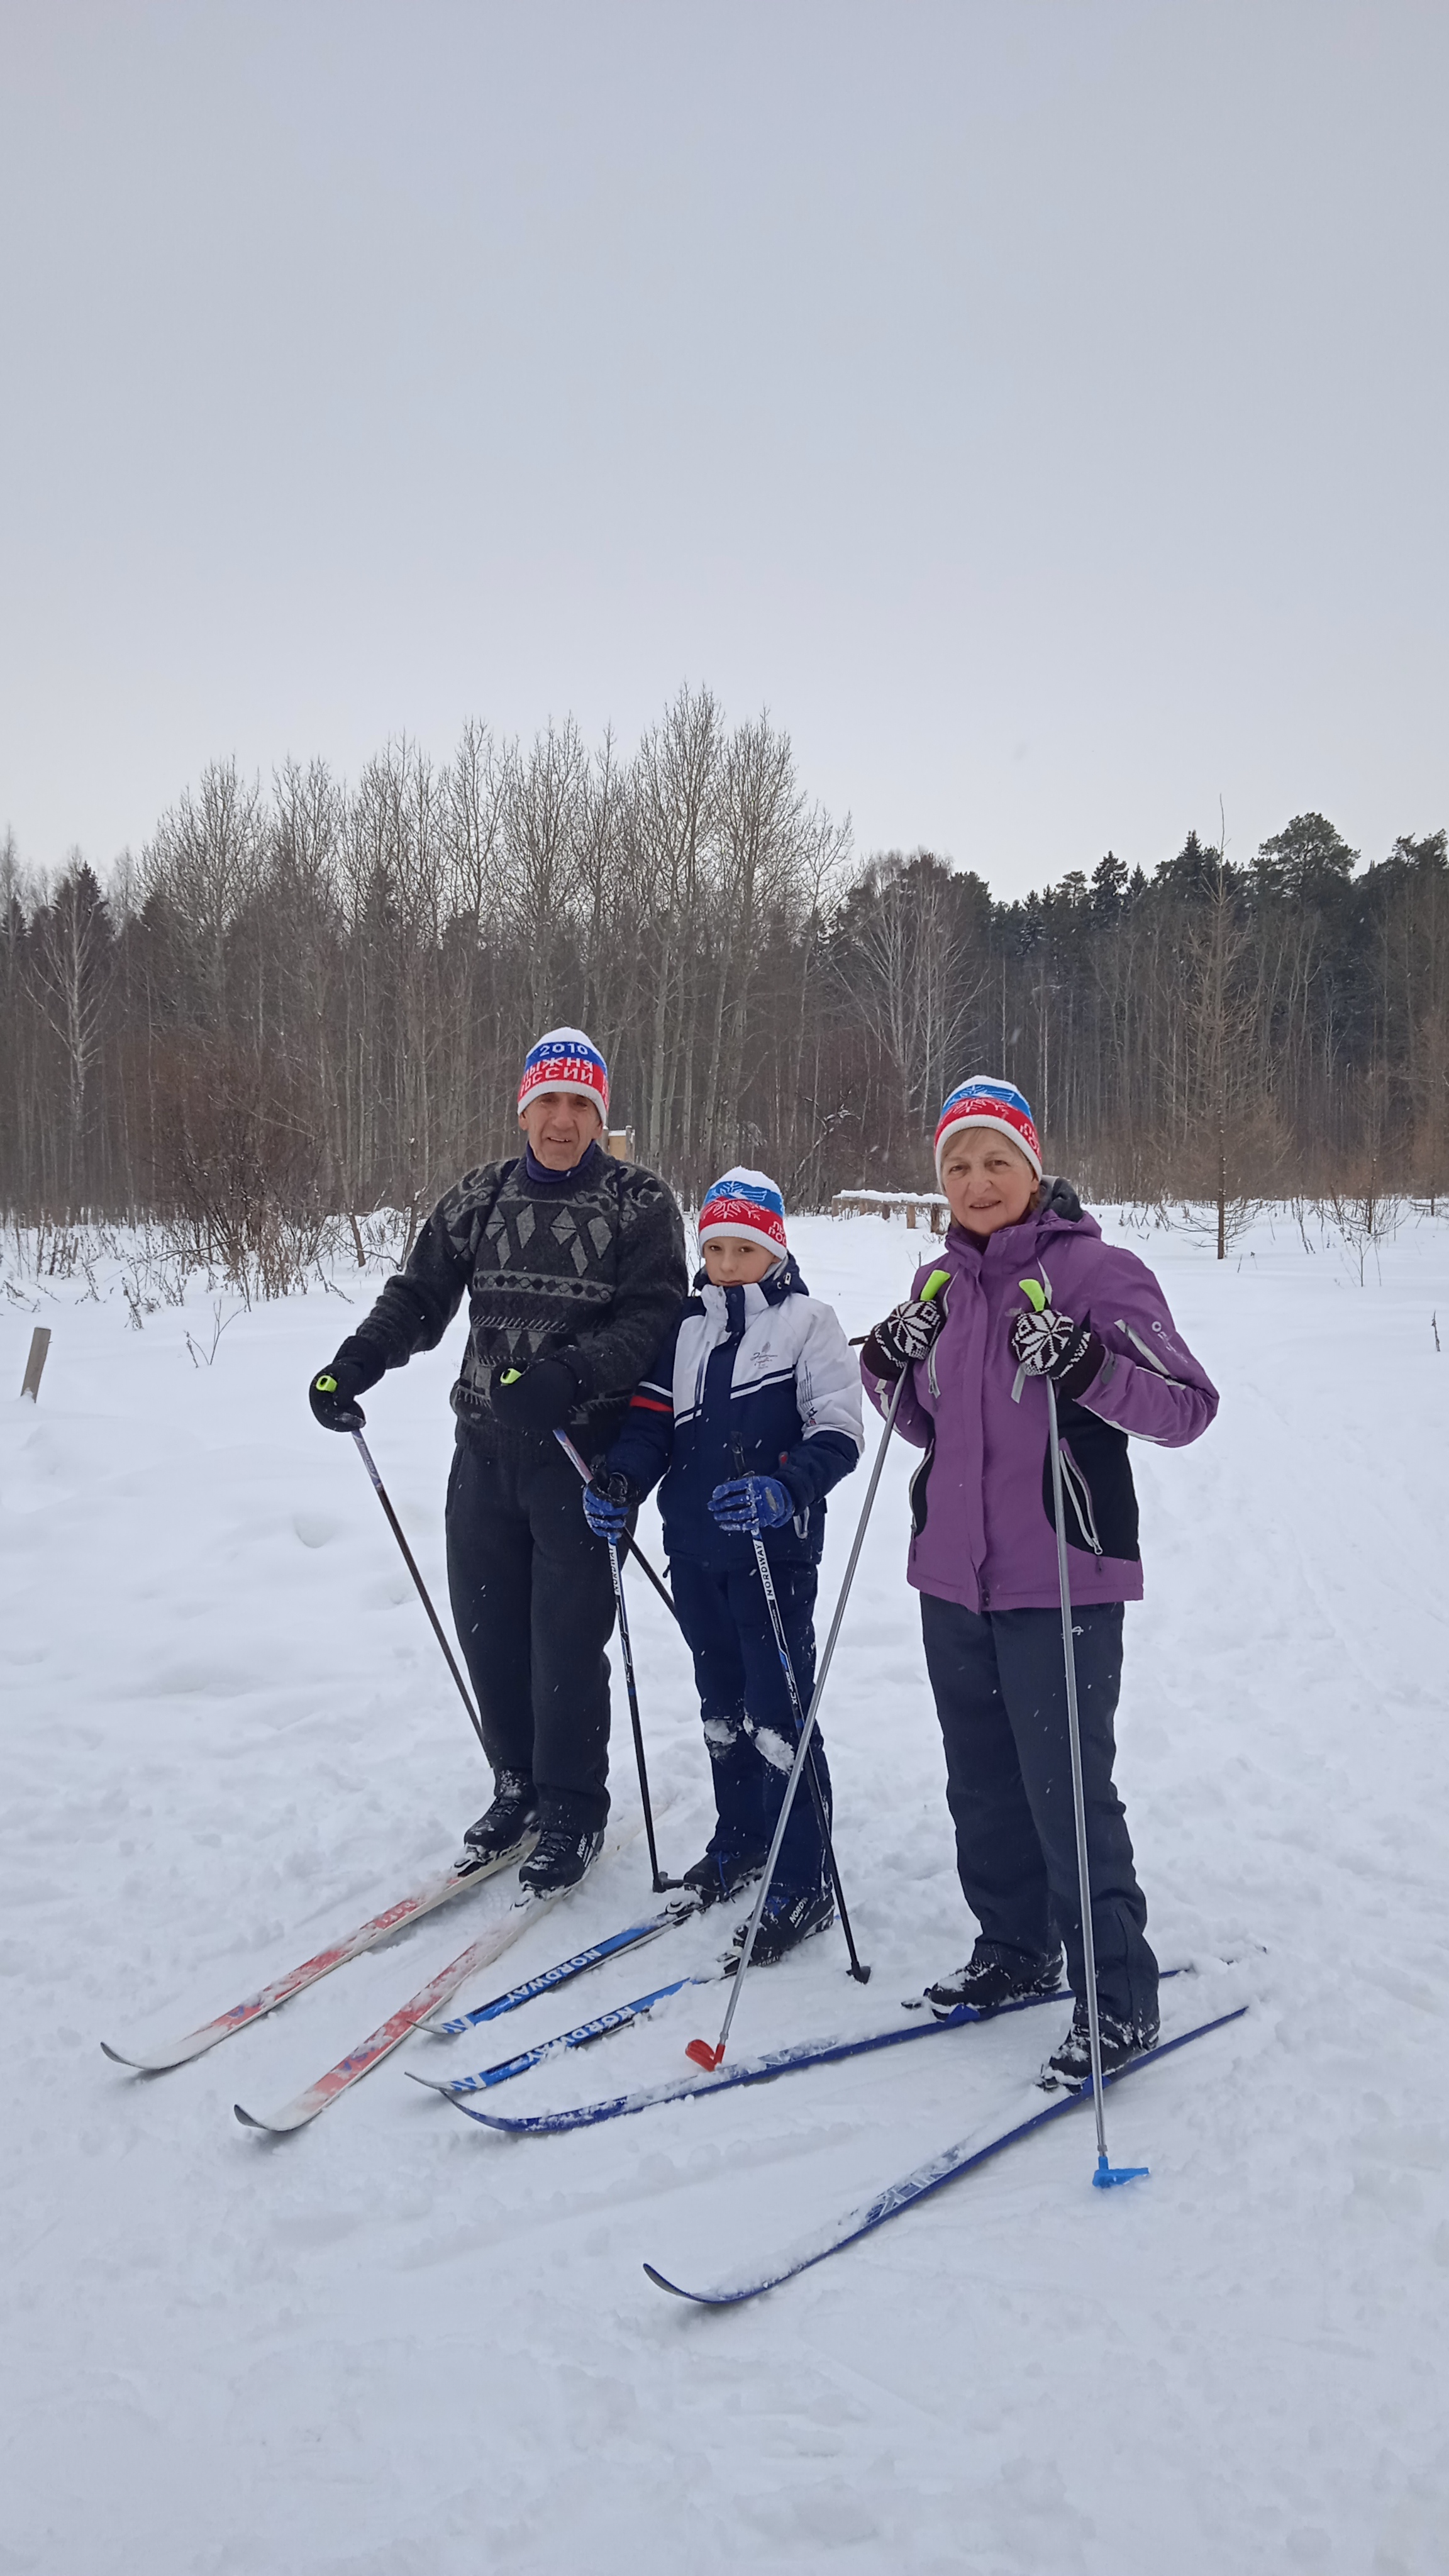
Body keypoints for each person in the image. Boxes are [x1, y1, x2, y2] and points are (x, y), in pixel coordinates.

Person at [859, 1075, 1218, 2087]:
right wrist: (887, 1364)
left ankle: (1118, 1995)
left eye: (996, 1161)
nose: (977, 1182)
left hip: (1061, 1572)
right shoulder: (938, 1282)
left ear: (1033, 1166)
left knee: (1066, 1791)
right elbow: (927, 1424)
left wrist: (1086, 1366)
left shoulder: (1098, 1273)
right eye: (958, 1166)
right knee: (980, 1780)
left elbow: (1188, 1407)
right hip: (952, 1575)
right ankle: (1015, 1947)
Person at [308, 1028, 687, 1893]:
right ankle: (515, 1782)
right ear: (524, 1110)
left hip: (578, 1455)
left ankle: (572, 1806)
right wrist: (356, 1362)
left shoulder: (638, 1202)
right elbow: (420, 1296)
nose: (562, 1119)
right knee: (490, 1633)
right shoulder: (480, 1195)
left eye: (580, 1104)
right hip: (482, 1452)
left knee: (566, 1643)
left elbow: (655, 1317)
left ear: (599, 1114)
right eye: (548, 1101)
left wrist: (569, 1375)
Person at [584, 1169, 864, 1961]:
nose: (729, 1264)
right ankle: (740, 1839)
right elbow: (649, 1426)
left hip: (774, 1555)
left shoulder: (808, 1323)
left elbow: (840, 1430)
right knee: (722, 1710)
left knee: (779, 1714)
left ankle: (803, 1877)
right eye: (715, 1249)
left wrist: (787, 1487)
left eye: (745, 1248)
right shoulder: (683, 1328)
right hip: (695, 1551)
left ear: (775, 1250)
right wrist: (620, 1481)